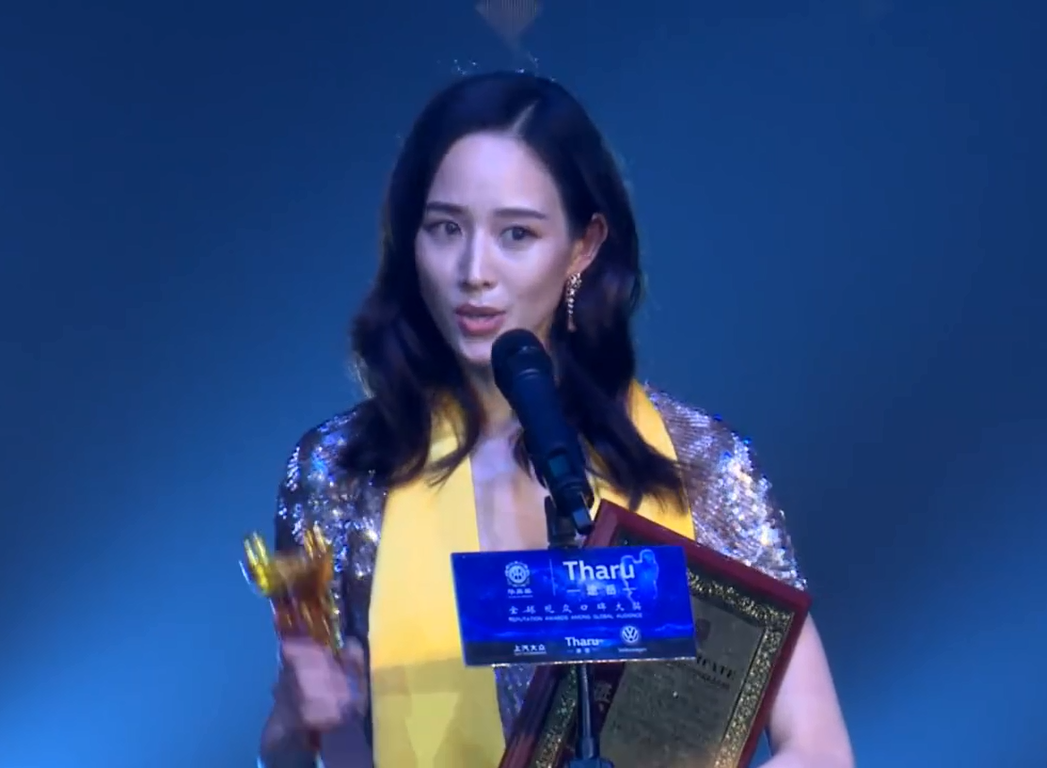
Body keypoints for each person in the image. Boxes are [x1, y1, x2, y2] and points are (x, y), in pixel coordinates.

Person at [258, 71, 855, 768]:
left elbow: (819, 748)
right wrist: (294, 727)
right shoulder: (343, 473)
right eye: (446, 228)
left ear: (584, 245)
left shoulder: (697, 463)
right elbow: (326, 749)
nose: (474, 270)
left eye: (516, 234)